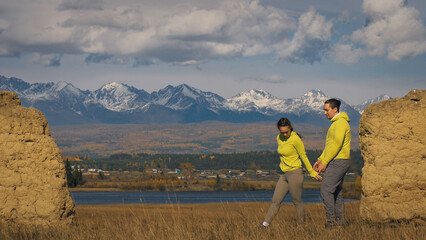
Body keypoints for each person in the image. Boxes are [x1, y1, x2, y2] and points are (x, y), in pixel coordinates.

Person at [262, 118, 322, 227]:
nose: (285, 134)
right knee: (275, 201)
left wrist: (312, 172)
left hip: (295, 173)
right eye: (282, 132)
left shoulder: (296, 139)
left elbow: (303, 156)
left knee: (297, 201)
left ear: (290, 128)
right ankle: (264, 225)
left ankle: (301, 228)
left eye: (286, 132)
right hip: (284, 174)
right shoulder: (279, 138)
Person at [313, 98, 351, 229]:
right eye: (324, 110)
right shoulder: (335, 124)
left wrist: (325, 162)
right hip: (336, 160)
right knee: (336, 192)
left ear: (335, 109)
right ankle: (340, 224)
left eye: (326, 110)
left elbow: (336, 145)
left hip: (338, 161)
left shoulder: (340, 123)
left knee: (326, 190)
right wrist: (320, 160)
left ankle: (331, 223)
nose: (325, 113)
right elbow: (329, 146)